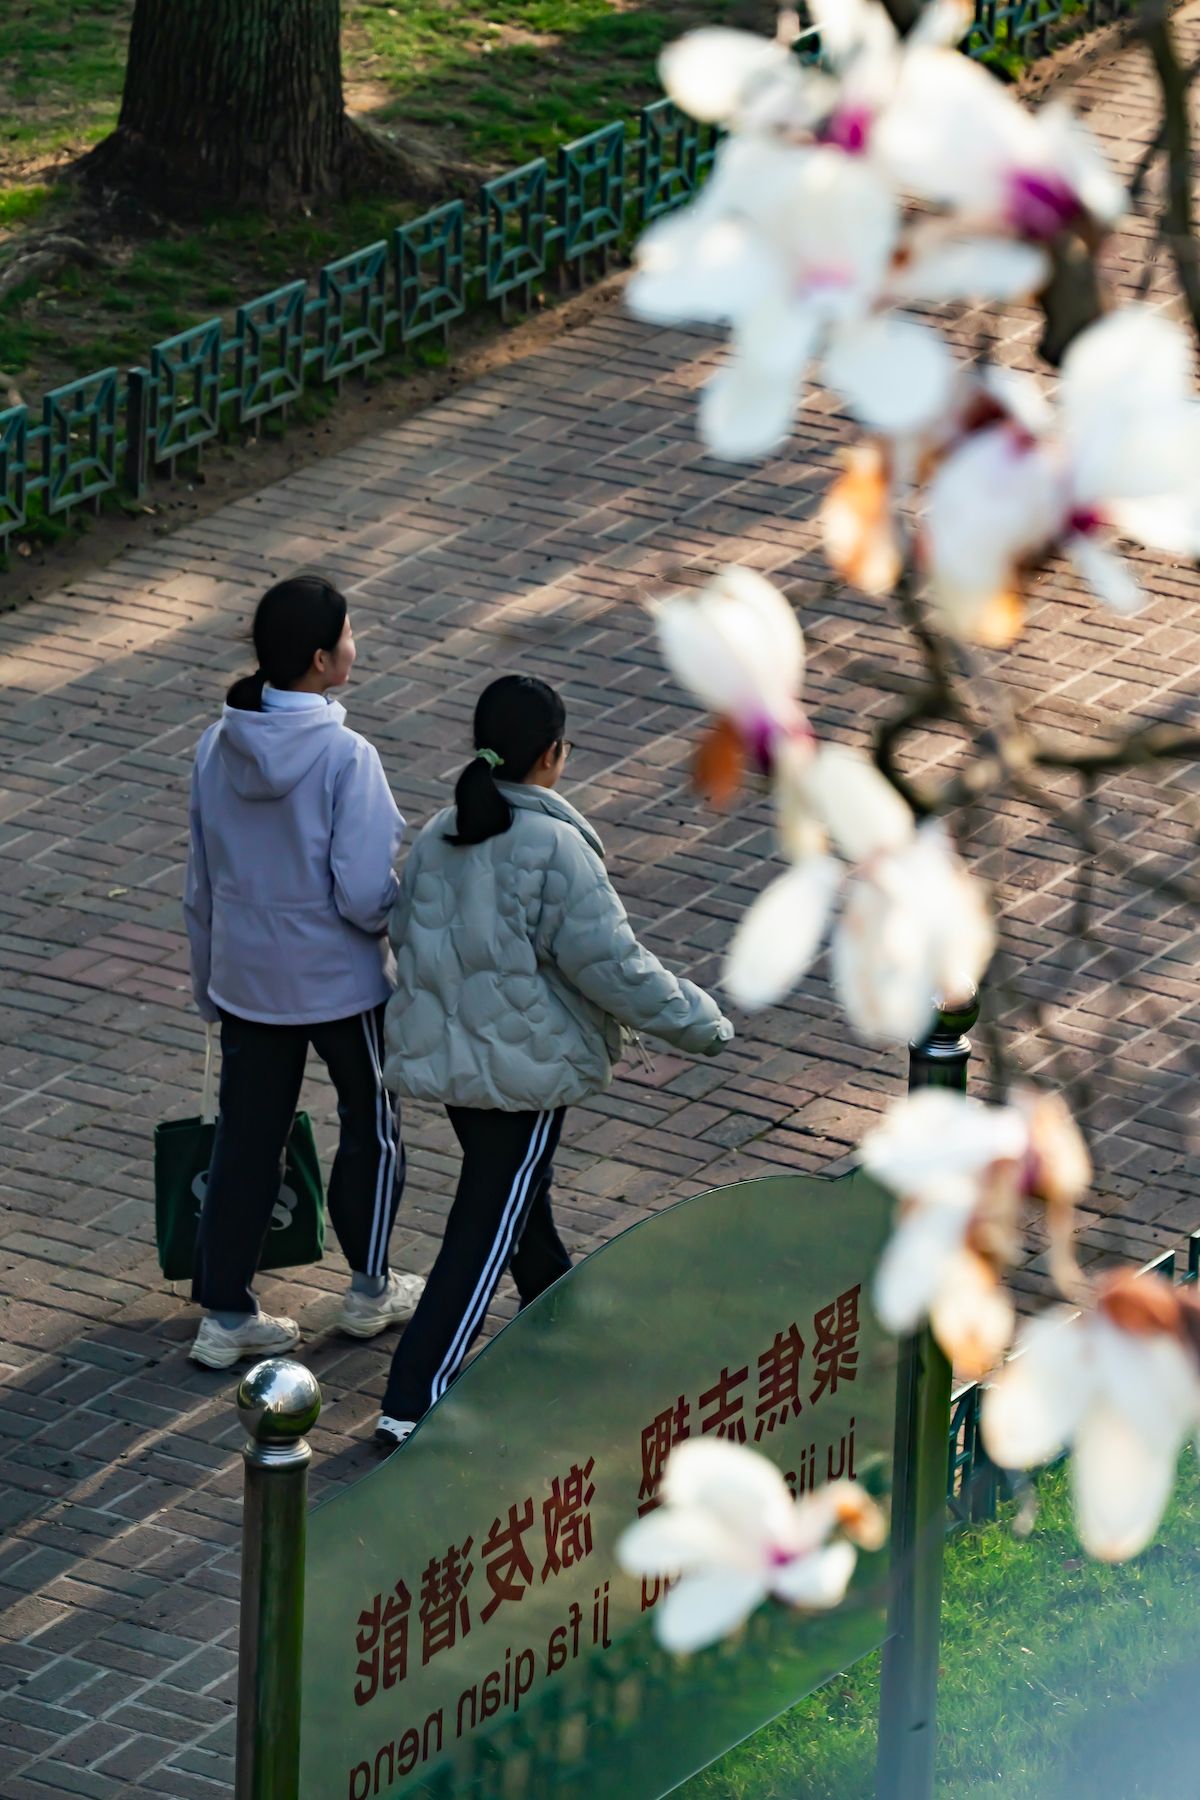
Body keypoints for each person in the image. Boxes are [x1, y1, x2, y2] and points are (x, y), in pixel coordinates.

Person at [374, 674, 734, 1447]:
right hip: (524, 1075)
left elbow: (411, 938)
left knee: (518, 1208)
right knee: (486, 1227)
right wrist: (700, 1022)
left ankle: (565, 1326)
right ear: (553, 755)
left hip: (454, 1064)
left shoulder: (442, 831)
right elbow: (612, 964)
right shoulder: (555, 848)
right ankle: (415, 1393)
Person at [183, 575, 422, 1369]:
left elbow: (201, 880)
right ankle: (368, 1286)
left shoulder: (216, 745)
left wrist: (207, 982)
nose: (358, 644)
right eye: (350, 635)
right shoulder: (346, 757)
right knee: (371, 1126)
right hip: (340, 983)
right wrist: (402, 913)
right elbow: (361, 895)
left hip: (248, 980)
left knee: (247, 1140)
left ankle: (225, 1313)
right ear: (322, 660)